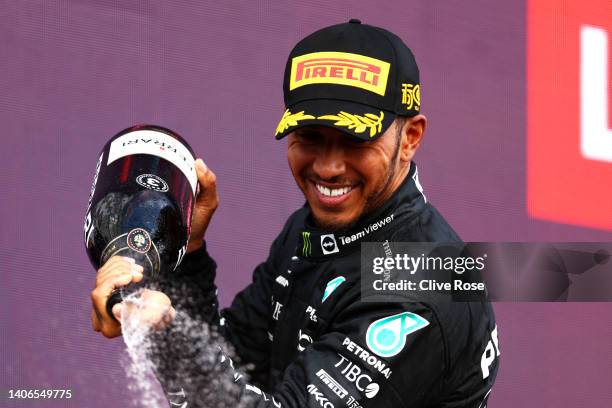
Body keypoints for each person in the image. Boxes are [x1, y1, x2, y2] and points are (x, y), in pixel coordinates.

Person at [91, 20, 499, 407]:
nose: (327, 167)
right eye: (309, 137)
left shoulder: (420, 291)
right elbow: (233, 365)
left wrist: (173, 334)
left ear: (409, 138)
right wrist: (185, 253)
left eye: (354, 141)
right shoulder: (317, 228)